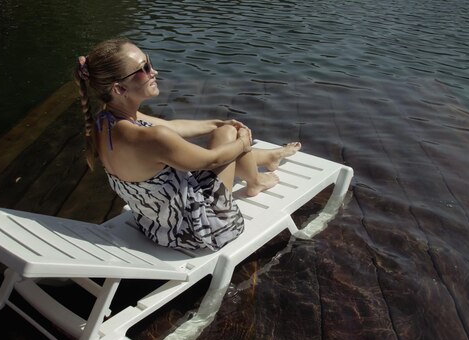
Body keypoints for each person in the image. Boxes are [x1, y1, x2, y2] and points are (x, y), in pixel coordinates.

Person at [74, 37, 301, 251]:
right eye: (143, 69)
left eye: (149, 63)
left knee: (224, 131)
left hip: (157, 228)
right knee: (229, 134)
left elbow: (173, 127)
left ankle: (269, 157)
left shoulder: (105, 122)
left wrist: (215, 123)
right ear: (119, 89)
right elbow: (211, 160)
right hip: (200, 231)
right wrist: (242, 142)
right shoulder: (151, 139)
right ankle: (256, 181)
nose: (154, 72)